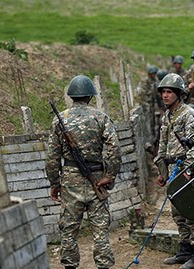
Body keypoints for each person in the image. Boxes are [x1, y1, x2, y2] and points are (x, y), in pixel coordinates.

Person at [46, 75, 121, 269]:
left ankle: (70, 266)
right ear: (90, 96)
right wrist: (109, 176)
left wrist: (54, 184)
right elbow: (115, 149)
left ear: (71, 96)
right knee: (100, 230)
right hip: (97, 178)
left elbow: (52, 158)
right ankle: (104, 265)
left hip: (70, 181)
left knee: (69, 230)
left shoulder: (59, 120)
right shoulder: (101, 117)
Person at [153, 73, 194, 269]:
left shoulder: (187, 114)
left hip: (187, 167)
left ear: (179, 94)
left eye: (169, 92)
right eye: (163, 92)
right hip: (173, 167)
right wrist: (162, 171)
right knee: (177, 212)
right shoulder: (167, 115)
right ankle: (184, 250)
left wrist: (188, 171)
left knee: (191, 209)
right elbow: (163, 144)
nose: (165, 96)